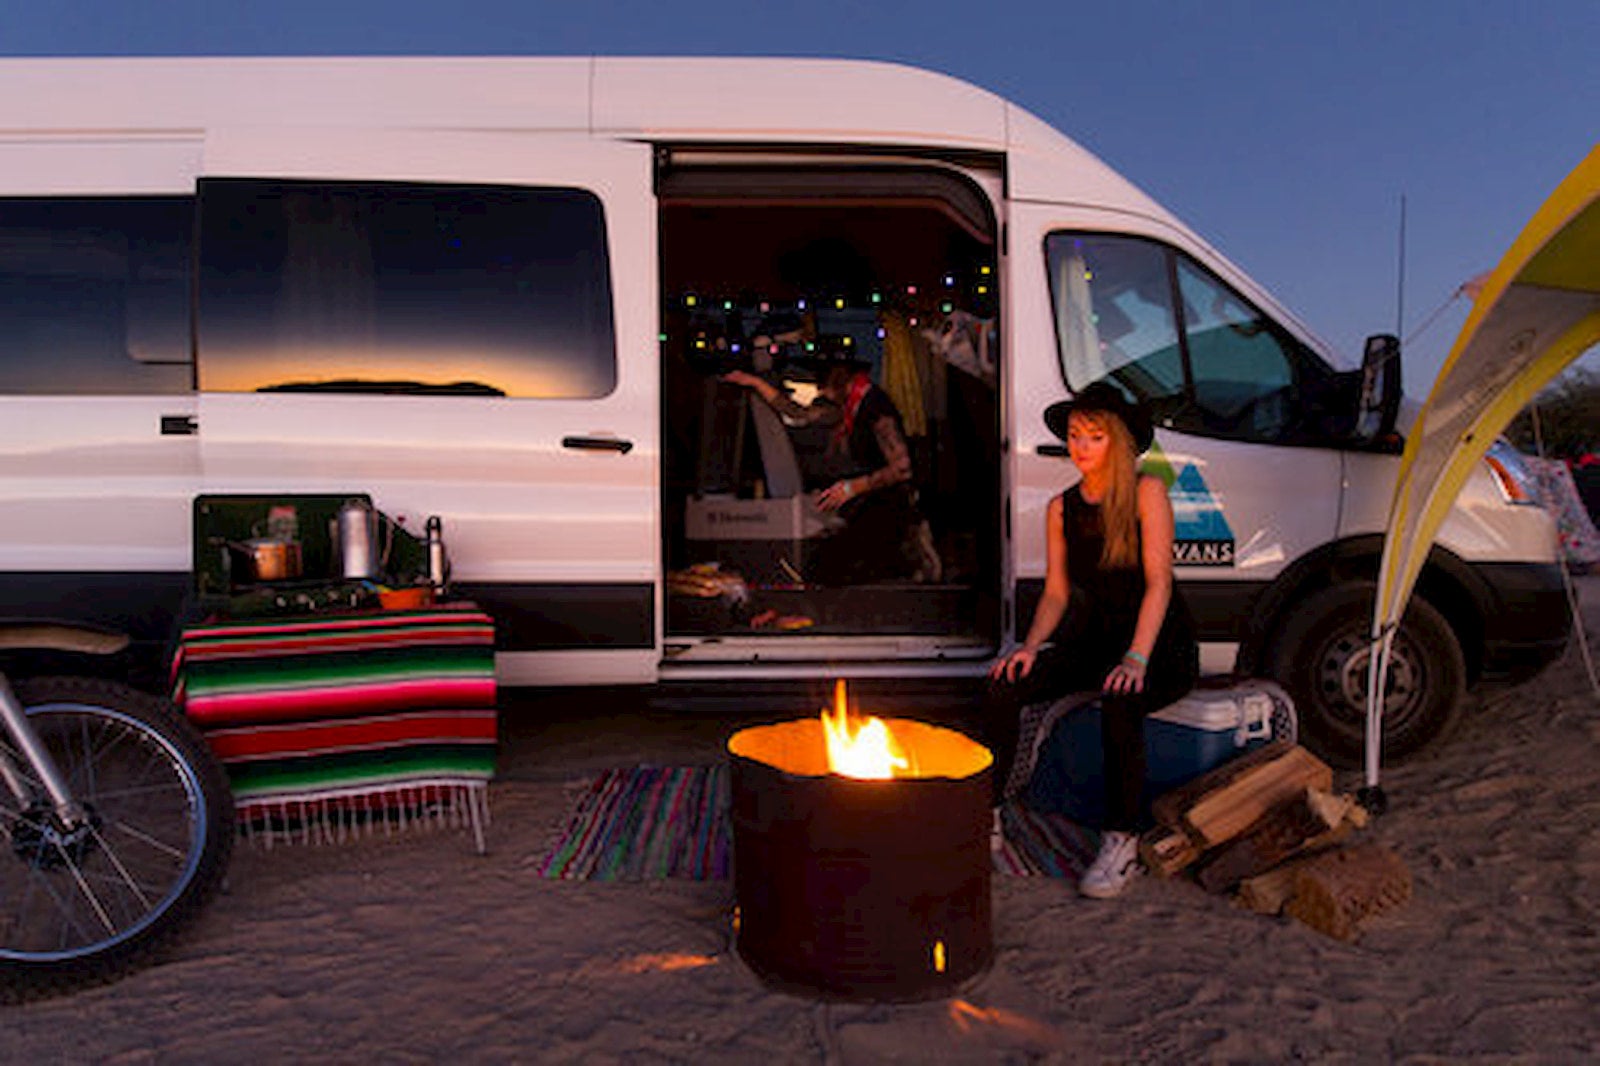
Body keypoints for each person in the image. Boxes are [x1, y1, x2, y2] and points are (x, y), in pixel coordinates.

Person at [983, 382, 1197, 899]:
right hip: (1098, 640)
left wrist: (1138, 657)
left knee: (1120, 700)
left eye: (1094, 436)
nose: (1080, 446)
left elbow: (1159, 583)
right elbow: (1056, 593)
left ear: (1118, 441)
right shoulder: (1061, 508)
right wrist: (1029, 645)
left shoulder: (1147, 492)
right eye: (1075, 435)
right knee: (1004, 684)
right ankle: (987, 817)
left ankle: (1121, 841)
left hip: (1159, 645)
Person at [723, 339, 938, 584]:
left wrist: (851, 488)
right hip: (871, 504)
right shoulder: (846, 406)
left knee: (842, 568)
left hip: (892, 506)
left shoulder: (875, 405)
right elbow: (796, 413)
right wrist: (756, 383)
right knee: (824, 564)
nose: (820, 387)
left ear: (841, 374)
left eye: (823, 378)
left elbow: (902, 468)